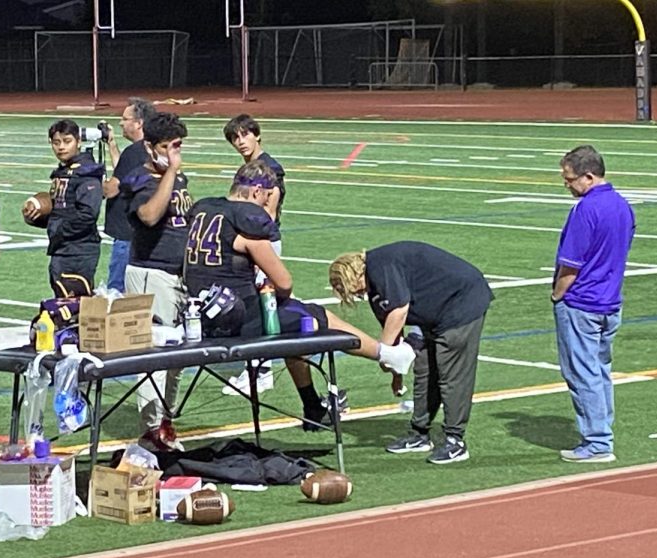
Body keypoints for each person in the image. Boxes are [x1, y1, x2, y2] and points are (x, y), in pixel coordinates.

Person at [185, 160, 416, 429]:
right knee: (314, 316)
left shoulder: (205, 210)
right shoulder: (245, 223)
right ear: (259, 192)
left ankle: (311, 406)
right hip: (236, 319)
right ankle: (385, 354)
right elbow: (284, 283)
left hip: (201, 315)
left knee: (294, 321)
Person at [329, 242, 493, 465]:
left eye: (353, 290)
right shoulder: (375, 287)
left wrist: (384, 355)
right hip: (434, 312)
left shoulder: (380, 266)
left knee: (451, 373)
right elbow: (393, 333)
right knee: (424, 369)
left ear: (354, 276)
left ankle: (456, 439)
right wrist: (396, 374)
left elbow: (399, 311)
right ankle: (420, 433)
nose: (357, 295)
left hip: (461, 303)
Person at [552, 145, 634, 463]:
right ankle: (602, 432)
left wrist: (558, 294)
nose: (567, 185)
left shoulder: (586, 210)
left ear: (588, 176)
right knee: (599, 371)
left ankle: (598, 441)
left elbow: (571, 263)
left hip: (582, 303)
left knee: (582, 372)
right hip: (610, 301)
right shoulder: (622, 206)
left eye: (570, 179)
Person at [123, 112, 192, 452]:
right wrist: (172, 172)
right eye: (168, 147)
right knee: (152, 358)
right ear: (150, 147)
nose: (174, 153)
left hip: (177, 275)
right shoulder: (140, 179)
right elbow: (149, 216)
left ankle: (165, 424)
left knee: (177, 358)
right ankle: (150, 432)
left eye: (178, 146)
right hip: (151, 274)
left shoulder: (178, 179)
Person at [221, 114, 287, 397]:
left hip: (263, 244)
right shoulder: (248, 167)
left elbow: (267, 214)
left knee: (263, 306)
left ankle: (263, 371)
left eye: (244, 135)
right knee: (255, 304)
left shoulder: (269, 168)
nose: (240, 142)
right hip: (254, 243)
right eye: (235, 138)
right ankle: (256, 367)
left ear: (256, 135)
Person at [23, 118, 104, 295]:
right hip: (63, 248)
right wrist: (38, 216)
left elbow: (88, 215)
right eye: (56, 142)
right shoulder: (64, 171)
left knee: (74, 304)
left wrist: (59, 230)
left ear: (79, 142)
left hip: (78, 249)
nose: (61, 147)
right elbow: (61, 210)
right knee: (62, 301)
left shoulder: (86, 173)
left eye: (67, 141)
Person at [102, 97, 156, 292]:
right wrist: (112, 145)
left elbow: (111, 190)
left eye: (125, 119)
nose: (120, 123)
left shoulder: (133, 152)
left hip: (125, 233)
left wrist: (94, 178)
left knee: (116, 291)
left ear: (139, 123)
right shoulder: (147, 149)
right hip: (142, 232)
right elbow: (123, 173)